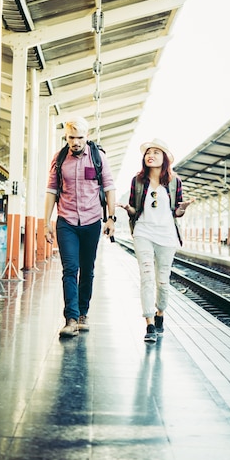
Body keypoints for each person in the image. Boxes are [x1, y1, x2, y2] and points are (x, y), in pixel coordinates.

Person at [44, 117, 116, 338]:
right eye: (71, 137)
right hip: (66, 221)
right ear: (66, 136)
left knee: (88, 270)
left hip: (92, 221)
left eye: (80, 137)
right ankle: (71, 319)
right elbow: (52, 190)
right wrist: (46, 221)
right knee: (69, 269)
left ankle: (83, 313)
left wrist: (111, 218)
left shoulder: (98, 157)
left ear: (87, 136)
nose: (75, 141)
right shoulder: (59, 159)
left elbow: (109, 187)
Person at [118, 139, 192, 343]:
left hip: (167, 236)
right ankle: (149, 323)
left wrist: (183, 208)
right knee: (147, 278)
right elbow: (135, 209)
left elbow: (176, 212)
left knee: (163, 281)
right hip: (143, 233)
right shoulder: (138, 181)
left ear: (165, 158)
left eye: (156, 152)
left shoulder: (175, 182)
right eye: (148, 152)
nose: (150, 155)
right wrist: (127, 209)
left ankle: (160, 314)